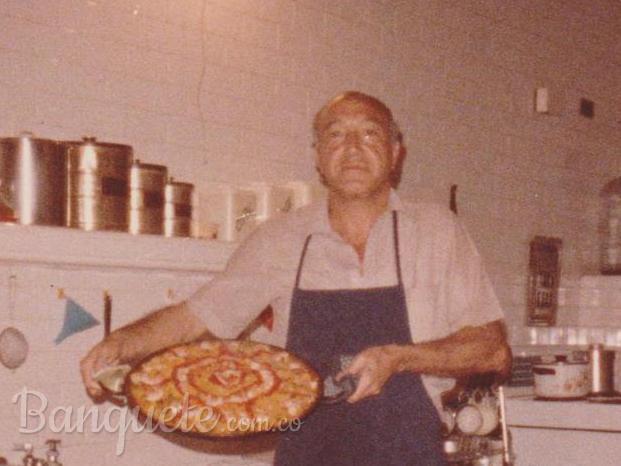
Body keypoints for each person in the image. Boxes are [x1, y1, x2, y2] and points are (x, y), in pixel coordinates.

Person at [81, 91, 511, 465]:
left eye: (370, 133)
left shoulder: (437, 232)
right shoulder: (279, 239)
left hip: (408, 455)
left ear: (396, 152)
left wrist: (399, 358)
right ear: (319, 157)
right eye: (336, 135)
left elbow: (492, 351)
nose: (353, 148)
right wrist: (122, 342)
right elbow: (197, 316)